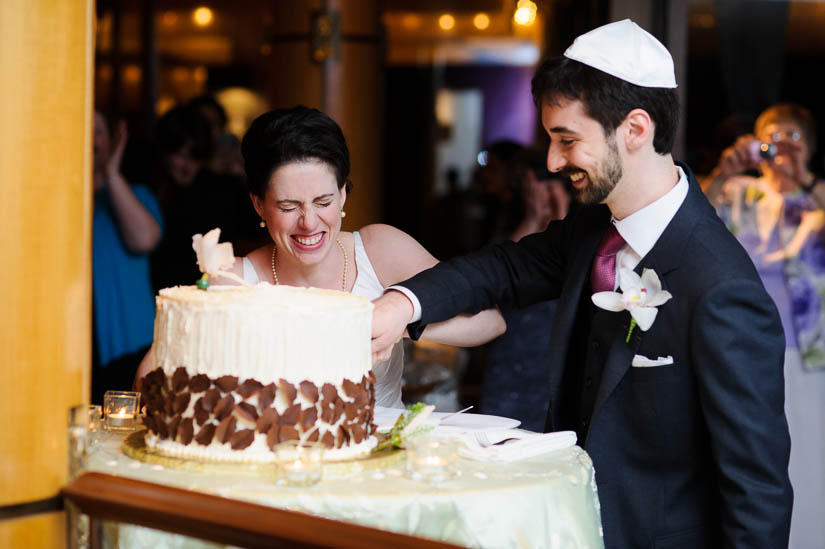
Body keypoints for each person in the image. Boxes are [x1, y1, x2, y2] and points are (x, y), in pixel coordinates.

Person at [371, 19, 792, 548]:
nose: (552, 161)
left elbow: (757, 487)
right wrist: (400, 303)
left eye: (567, 140)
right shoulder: (593, 229)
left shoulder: (721, 285)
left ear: (635, 129)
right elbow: (502, 268)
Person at [138, 106, 505, 408]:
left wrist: (401, 320)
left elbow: (490, 321)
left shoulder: (380, 251)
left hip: (376, 468)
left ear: (344, 194)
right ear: (259, 205)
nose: (309, 222)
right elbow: (147, 378)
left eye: (324, 202)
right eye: (288, 205)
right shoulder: (232, 280)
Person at [702, 103, 825, 549]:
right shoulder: (740, 192)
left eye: (795, 137)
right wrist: (722, 169)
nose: (783, 146)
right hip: (747, 344)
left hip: (812, 351)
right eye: (774, 137)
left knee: (811, 453)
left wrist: (805, 179)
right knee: (758, 452)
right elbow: (687, 215)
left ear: (810, 145)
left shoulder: (817, 195)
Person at [480, 149, 572, 431]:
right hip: (510, 355)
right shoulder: (506, 225)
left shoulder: (584, 233)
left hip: (557, 359)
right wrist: (532, 221)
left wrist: (564, 224)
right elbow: (491, 285)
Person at [150, 104, 263, 292]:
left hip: (211, 293)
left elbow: (256, 228)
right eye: (180, 155)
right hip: (159, 291)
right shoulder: (149, 190)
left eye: (195, 157)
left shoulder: (224, 188)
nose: (187, 166)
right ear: (164, 152)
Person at [92, 111, 163, 404]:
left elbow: (145, 238)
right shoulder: (48, 198)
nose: (88, 139)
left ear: (112, 140)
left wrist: (110, 174)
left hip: (127, 348)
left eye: (96, 131)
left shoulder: (137, 194)